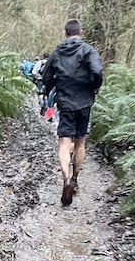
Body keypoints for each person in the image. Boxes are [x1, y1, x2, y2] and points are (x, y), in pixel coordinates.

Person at [42, 19, 103, 206]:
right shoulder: (88, 51)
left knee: (64, 143)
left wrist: (54, 88)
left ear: (65, 32)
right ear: (80, 32)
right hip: (84, 103)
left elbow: (46, 76)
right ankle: (75, 179)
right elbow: (97, 71)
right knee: (80, 142)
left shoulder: (57, 52)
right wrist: (94, 87)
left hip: (65, 102)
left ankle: (66, 179)